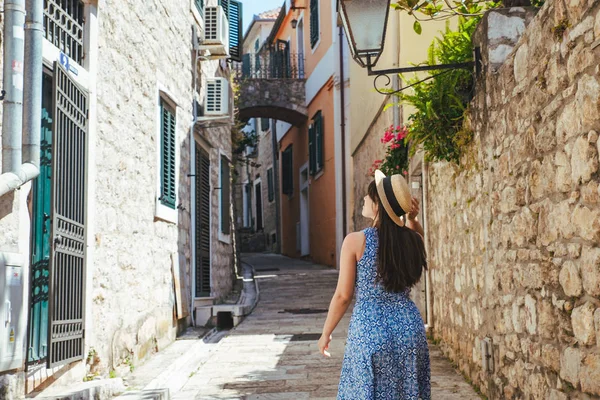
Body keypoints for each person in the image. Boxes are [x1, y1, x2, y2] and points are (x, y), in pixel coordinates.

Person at [318, 170, 430, 400]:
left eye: (368, 197)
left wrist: (326, 332)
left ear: (378, 204)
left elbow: (343, 295)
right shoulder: (413, 240)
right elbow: (418, 239)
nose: (364, 200)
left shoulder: (356, 241)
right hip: (409, 329)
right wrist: (412, 220)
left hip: (371, 330)